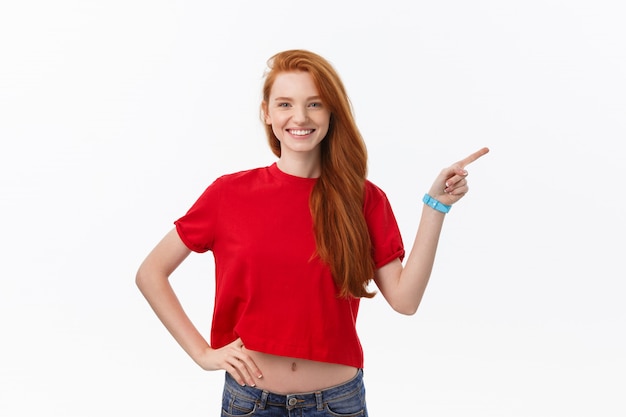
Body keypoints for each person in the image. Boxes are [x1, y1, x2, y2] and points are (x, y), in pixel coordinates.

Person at [136, 49, 489, 416]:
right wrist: (202, 353)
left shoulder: (363, 199)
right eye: (285, 104)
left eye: (315, 104)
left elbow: (405, 300)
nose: (300, 117)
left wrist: (436, 208)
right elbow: (151, 273)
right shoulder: (228, 194)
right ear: (267, 114)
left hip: (337, 404)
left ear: (331, 113)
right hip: (251, 402)